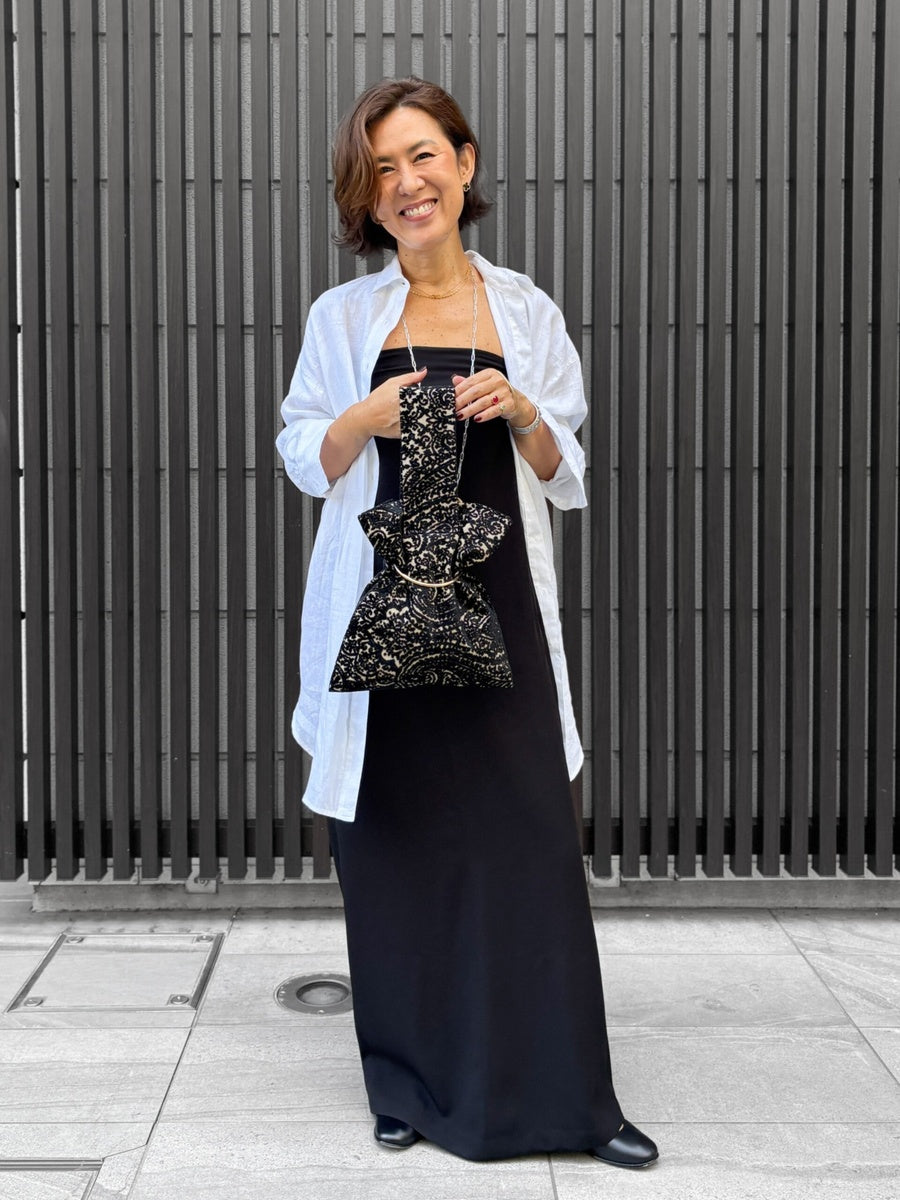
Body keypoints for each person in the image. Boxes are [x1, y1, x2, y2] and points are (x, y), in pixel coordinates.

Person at [276, 76, 658, 1170]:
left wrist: (526, 409)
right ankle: (404, 1083)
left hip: (503, 619)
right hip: (384, 615)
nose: (407, 183)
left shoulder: (525, 310)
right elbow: (303, 455)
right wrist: (362, 415)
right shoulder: (344, 318)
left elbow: (565, 472)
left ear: (465, 163)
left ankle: (575, 1104)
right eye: (381, 170)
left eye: (422, 157)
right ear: (367, 196)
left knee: (530, 850)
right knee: (395, 847)